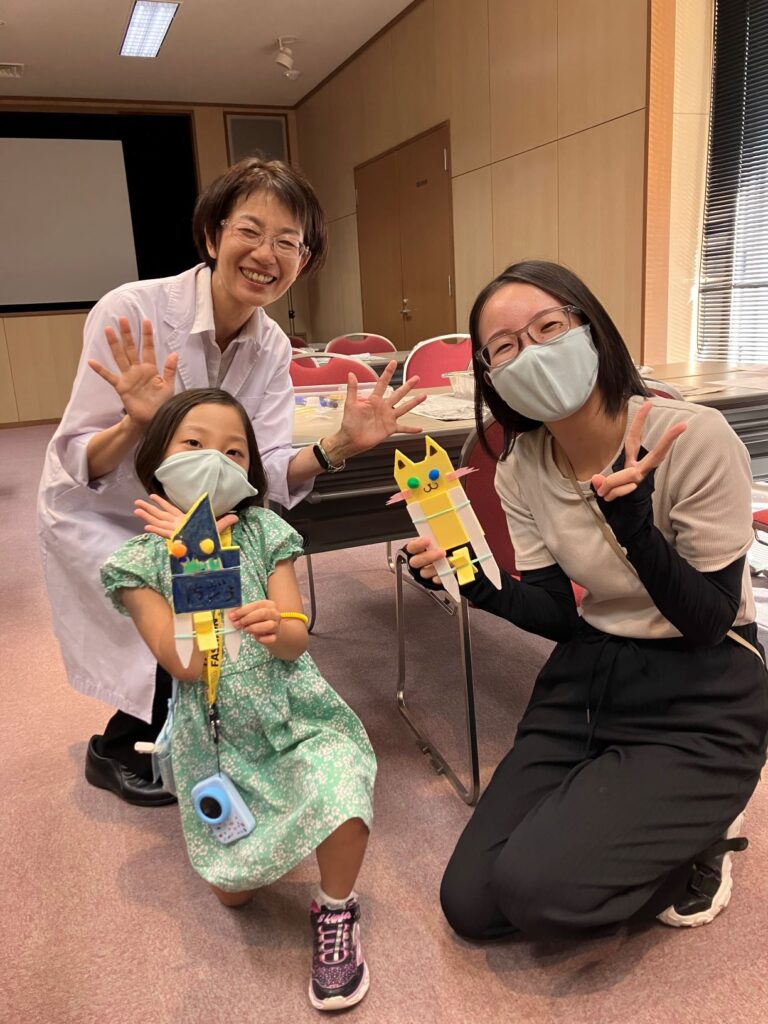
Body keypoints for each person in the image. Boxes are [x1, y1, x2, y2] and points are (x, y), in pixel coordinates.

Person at [37, 157, 423, 806]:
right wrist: (136, 423)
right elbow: (81, 459)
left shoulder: (271, 346)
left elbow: (262, 468)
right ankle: (117, 747)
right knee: (162, 626)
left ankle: (188, 734)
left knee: (214, 608)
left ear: (303, 260)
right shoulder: (133, 312)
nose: (266, 254)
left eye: (288, 242)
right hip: (106, 510)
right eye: (250, 230)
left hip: (195, 517)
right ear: (213, 236)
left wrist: (337, 447)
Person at [406, 259, 768, 938]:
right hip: (593, 669)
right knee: (472, 905)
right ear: (490, 373)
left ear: (592, 328)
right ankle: (621, 807)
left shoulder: (693, 439)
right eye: (505, 346)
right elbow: (558, 615)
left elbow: (709, 619)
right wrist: (474, 581)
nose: (531, 353)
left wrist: (636, 529)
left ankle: (706, 832)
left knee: (539, 893)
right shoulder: (521, 466)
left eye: (549, 327)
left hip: (702, 681)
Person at [101, 387, 376, 1012]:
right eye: (194, 443)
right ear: (158, 456)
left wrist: (280, 625)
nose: (214, 461)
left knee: (343, 791)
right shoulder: (137, 564)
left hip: (293, 712)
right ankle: (256, 849)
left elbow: (295, 638)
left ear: (250, 469)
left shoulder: (264, 531)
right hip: (218, 739)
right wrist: (196, 561)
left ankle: (336, 908)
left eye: (233, 451)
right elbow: (186, 664)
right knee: (236, 891)